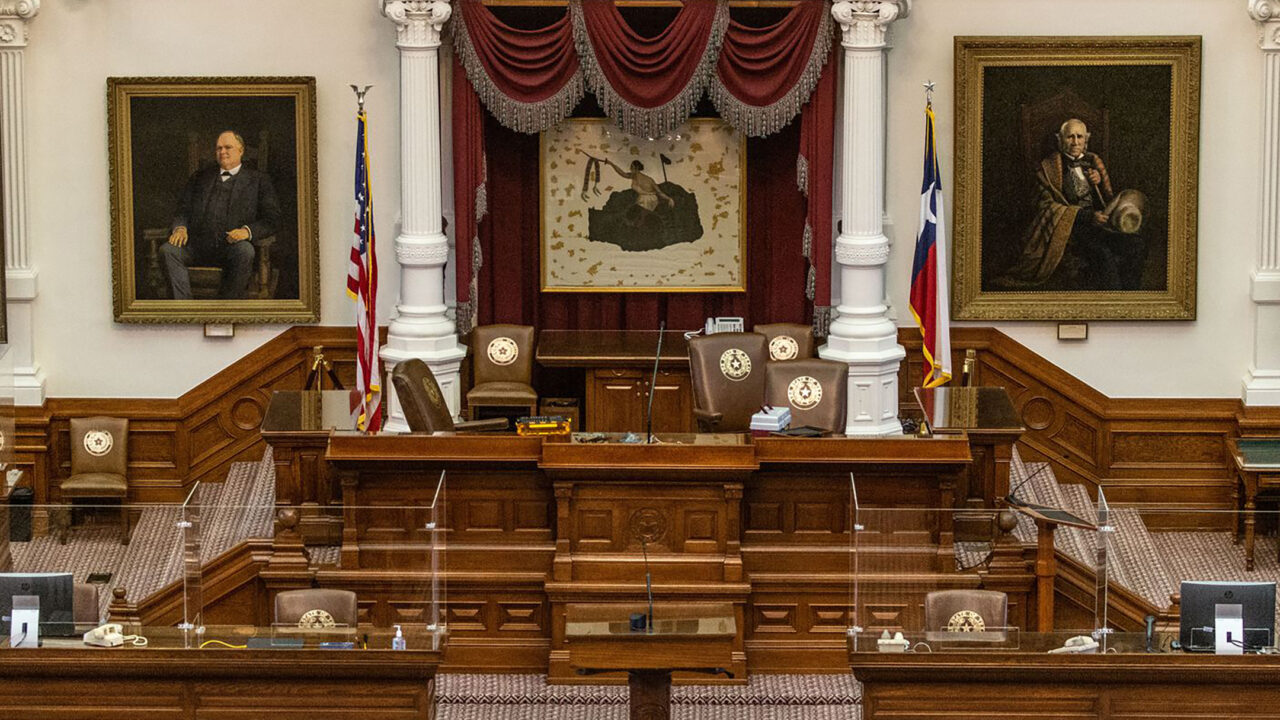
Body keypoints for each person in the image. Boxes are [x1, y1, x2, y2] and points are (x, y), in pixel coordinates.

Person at [998, 118, 1146, 290]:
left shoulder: (1094, 163)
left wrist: (1097, 183)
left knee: (1136, 244)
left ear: (1086, 140)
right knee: (1103, 254)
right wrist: (1087, 216)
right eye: (1070, 137)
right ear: (1060, 140)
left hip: (1102, 224)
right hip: (1071, 229)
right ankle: (1113, 304)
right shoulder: (1047, 169)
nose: (1075, 142)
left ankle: (1131, 298)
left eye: (1079, 137)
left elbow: (1109, 198)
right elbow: (1046, 207)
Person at [159, 130, 281, 299]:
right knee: (168, 250)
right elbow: (183, 210)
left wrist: (247, 231)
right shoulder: (200, 177)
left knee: (245, 251)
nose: (222, 152)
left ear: (241, 150)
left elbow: (272, 219)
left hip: (231, 249)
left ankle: (225, 309)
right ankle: (184, 309)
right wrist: (180, 228)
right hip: (196, 247)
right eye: (218, 148)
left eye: (228, 147)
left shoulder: (259, 180)